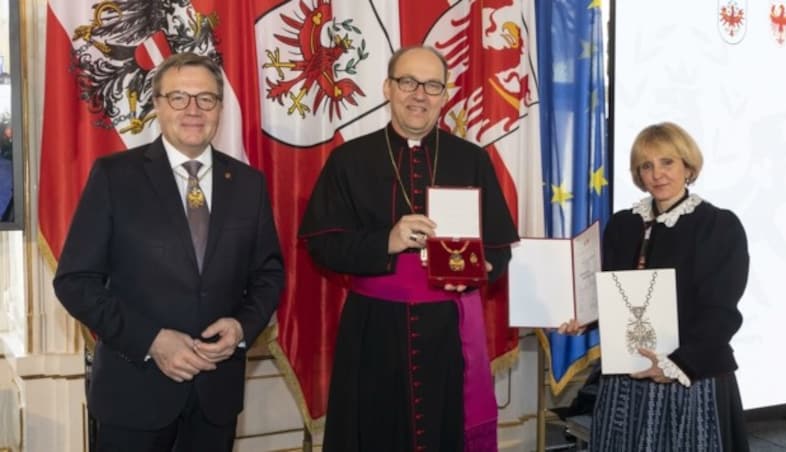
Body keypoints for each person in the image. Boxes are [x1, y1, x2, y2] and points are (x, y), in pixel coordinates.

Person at [53, 52, 285, 452]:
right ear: (158, 104)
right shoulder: (114, 177)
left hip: (216, 397)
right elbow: (75, 281)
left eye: (206, 99)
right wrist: (152, 341)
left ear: (220, 107)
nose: (193, 110)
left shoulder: (249, 184)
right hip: (134, 395)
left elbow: (268, 274)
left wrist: (242, 328)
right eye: (179, 97)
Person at [299, 45, 519, 451]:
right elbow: (321, 245)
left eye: (432, 85)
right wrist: (387, 239)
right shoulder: (349, 159)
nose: (420, 94)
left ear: (445, 95)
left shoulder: (471, 159)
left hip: (448, 333)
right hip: (374, 332)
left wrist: (481, 268)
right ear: (388, 87)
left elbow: (500, 245)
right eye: (408, 82)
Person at [564, 122, 749, 451]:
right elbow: (615, 293)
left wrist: (677, 364)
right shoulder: (623, 224)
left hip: (689, 375)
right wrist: (586, 317)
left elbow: (721, 312)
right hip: (628, 376)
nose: (657, 174)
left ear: (688, 167)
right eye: (646, 166)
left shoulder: (718, 225)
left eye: (668, 162)